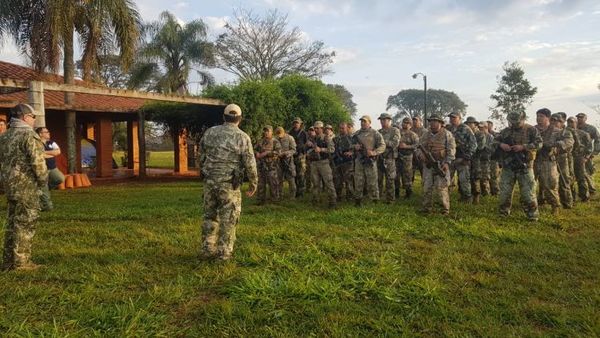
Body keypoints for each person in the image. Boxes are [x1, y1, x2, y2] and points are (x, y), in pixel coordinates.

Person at [199, 103, 257, 261]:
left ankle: (207, 248)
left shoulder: (210, 132)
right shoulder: (242, 137)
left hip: (210, 182)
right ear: (240, 119)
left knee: (209, 216)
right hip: (229, 185)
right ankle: (223, 253)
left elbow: (202, 155)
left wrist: (205, 172)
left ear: (223, 117)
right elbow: (250, 162)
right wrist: (253, 182)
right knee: (229, 218)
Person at [0, 103, 48, 271]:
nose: (34, 120)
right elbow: (38, 165)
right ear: (25, 117)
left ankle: (8, 262)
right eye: (33, 117)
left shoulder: (4, 136)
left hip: (9, 185)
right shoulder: (29, 136)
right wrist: (43, 181)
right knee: (25, 223)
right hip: (26, 186)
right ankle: (21, 263)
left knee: (12, 222)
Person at [496, 111, 542, 221]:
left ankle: (532, 216)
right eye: (511, 122)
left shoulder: (531, 130)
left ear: (523, 119)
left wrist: (523, 147)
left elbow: (539, 143)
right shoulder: (505, 131)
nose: (513, 124)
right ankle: (503, 213)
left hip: (525, 166)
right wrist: (501, 145)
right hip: (508, 167)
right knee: (504, 192)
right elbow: (494, 141)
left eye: (516, 122)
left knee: (528, 193)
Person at [416, 114, 456, 215]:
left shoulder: (447, 134)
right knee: (426, 186)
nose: (432, 123)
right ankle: (426, 207)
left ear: (440, 123)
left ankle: (445, 209)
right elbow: (419, 147)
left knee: (441, 187)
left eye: (435, 121)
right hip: (428, 164)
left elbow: (451, 149)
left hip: (441, 164)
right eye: (431, 121)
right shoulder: (426, 134)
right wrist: (421, 156)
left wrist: (447, 163)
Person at [352, 115, 385, 206]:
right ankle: (358, 200)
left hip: (370, 161)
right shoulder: (356, 134)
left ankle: (374, 200)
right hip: (359, 160)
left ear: (369, 122)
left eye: (364, 121)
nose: (362, 123)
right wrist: (355, 147)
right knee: (358, 180)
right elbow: (350, 145)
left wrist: (374, 152)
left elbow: (382, 146)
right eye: (361, 121)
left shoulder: (375, 133)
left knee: (372, 181)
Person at [447, 112, 477, 202]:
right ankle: (445, 196)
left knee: (464, 180)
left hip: (462, 158)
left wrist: (467, 157)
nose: (452, 119)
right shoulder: (449, 129)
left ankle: (467, 198)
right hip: (450, 158)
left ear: (460, 118)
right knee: (447, 178)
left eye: (454, 117)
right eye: (451, 117)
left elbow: (474, 144)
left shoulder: (466, 129)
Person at [305, 121, 337, 208]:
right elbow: (307, 150)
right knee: (315, 183)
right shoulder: (312, 138)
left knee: (328, 182)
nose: (315, 129)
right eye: (315, 128)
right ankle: (315, 201)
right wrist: (309, 148)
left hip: (324, 162)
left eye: (317, 128)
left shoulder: (326, 138)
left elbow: (332, 149)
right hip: (314, 163)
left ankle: (333, 202)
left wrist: (321, 149)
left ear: (322, 129)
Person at [36, 127, 65, 211]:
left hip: (52, 168)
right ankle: (46, 206)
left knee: (60, 178)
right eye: (46, 132)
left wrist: (44, 153)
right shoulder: (37, 143)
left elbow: (58, 152)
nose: (49, 133)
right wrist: (51, 153)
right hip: (42, 169)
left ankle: (45, 188)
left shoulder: (51, 142)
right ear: (40, 134)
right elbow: (39, 155)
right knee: (44, 189)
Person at [550, 113, 574, 209]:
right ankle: (543, 200)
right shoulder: (548, 131)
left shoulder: (566, 132)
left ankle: (567, 203)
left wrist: (557, 145)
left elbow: (569, 142)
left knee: (564, 180)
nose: (555, 122)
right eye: (553, 120)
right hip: (548, 159)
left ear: (562, 122)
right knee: (549, 181)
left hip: (562, 158)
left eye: (558, 121)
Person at [567, 117, 594, 202]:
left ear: (576, 123)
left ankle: (585, 197)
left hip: (579, 158)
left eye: (572, 122)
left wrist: (586, 157)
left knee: (581, 177)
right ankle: (572, 197)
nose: (570, 124)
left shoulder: (584, 133)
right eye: (569, 122)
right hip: (568, 158)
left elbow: (590, 146)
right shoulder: (564, 133)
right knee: (569, 178)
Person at [377, 113, 401, 203]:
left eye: (384, 119)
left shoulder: (395, 130)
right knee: (378, 178)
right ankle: (378, 197)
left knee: (390, 179)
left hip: (390, 158)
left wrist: (382, 142)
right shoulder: (378, 132)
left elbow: (395, 143)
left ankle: (390, 199)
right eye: (381, 120)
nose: (382, 121)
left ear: (389, 120)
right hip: (379, 157)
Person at [255, 125, 281, 205]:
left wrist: (267, 153)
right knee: (261, 184)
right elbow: (254, 149)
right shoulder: (260, 141)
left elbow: (278, 152)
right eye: (265, 131)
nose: (266, 133)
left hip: (271, 167)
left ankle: (274, 200)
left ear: (271, 132)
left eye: (268, 131)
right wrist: (257, 153)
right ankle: (260, 200)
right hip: (261, 166)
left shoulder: (275, 141)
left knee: (273, 184)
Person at [576, 113, 599, 194]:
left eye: (581, 117)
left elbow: (597, 140)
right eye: (578, 117)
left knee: (587, 172)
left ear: (585, 118)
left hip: (587, 153)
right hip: (575, 154)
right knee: (579, 173)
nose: (579, 119)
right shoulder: (574, 127)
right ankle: (583, 191)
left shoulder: (591, 128)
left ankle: (591, 189)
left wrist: (595, 152)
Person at [397, 117, 419, 198]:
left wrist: (407, 146)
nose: (404, 124)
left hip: (407, 157)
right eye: (403, 122)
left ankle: (408, 193)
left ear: (410, 125)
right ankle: (396, 192)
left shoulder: (413, 135)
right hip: (397, 157)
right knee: (396, 174)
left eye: (407, 123)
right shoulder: (398, 133)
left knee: (407, 175)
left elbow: (417, 145)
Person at [333, 122, 354, 201]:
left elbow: (356, 148)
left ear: (347, 128)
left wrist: (351, 152)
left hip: (348, 162)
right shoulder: (336, 138)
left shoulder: (351, 138)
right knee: (338, 180)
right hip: (338, 161)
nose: (341, 130)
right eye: (340, 128)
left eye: (343, 128)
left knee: (348, 180)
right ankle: (338, 196)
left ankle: (350, 197)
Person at [288, 117, 308, 197]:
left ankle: (301, 192)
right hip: (292, 156)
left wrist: (304, 153)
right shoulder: (290, 132)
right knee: (294, 173)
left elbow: (307, 144)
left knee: (301, 174)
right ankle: (295, 191)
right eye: (295, 123)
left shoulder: (303, 133)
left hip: (301, 156)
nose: (296, 124)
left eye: (297, 123)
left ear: (300, 124)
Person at [275, 127, 297, 199]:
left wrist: (285, 153)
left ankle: (292, 196)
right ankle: (280, 195)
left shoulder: (290, 138)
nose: (279, 136)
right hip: (279, 162)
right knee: (279, 178)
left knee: (291, 178)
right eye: (277, 134)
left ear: (284, 132)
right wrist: (276, 153)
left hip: (288, 161)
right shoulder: (275, 139)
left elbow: (294, 150)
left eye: (280, 134)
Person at [487, 120, 500, 195]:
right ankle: (487, 192)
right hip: (486, 159)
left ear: (491, 126)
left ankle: (496, 192)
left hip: (494, 158)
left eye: (489, 125)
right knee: (486, 176)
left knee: (494, 176)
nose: (487, 126)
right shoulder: (482, 134)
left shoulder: (496, 135)